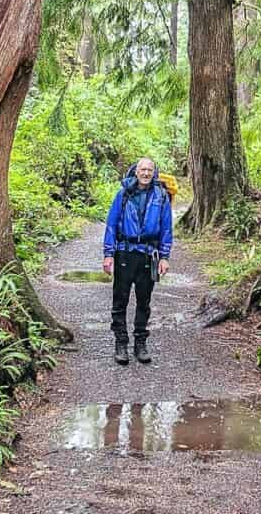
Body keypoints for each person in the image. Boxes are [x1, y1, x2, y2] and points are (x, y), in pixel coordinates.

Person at [102, 156, 173, 365]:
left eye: (149, 170)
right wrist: (108, 254)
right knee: (120, 300)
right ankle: (121, 343)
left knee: (144, 301)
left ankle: (140, 343)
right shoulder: (123, 194)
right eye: (142, 169)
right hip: (125, 252)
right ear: (136, 171)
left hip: (148, 255)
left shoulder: (161, 196)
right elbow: (111, 224)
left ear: (154, 173)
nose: (146, 173)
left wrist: (165, 256)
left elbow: (166, 228)